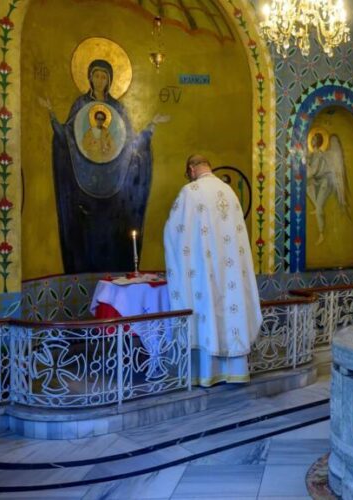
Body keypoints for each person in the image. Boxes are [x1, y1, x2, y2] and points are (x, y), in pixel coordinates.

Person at [39, 59, 169, 273]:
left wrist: (150, 127)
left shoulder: (118, 108)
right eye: (96, 75)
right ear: (90, 77)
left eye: (104, 77)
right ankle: (84, 272)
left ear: (109, 81)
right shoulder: (80, 105)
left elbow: (131, 144)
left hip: (116, 182)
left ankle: (118, 270)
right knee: (86, 230)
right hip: (83, 180)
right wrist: (52, 115)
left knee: (114, 229)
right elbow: (68, 137)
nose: (100, 80)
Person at [164, 154, 263, 386]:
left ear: (191, 169)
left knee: (206, 314)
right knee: (230, 313)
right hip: (230, 275)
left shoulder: (191, 192)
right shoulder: (229, 192)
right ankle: (234, 371)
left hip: (203, 275)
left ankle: (206, 374)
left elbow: (174, 232)